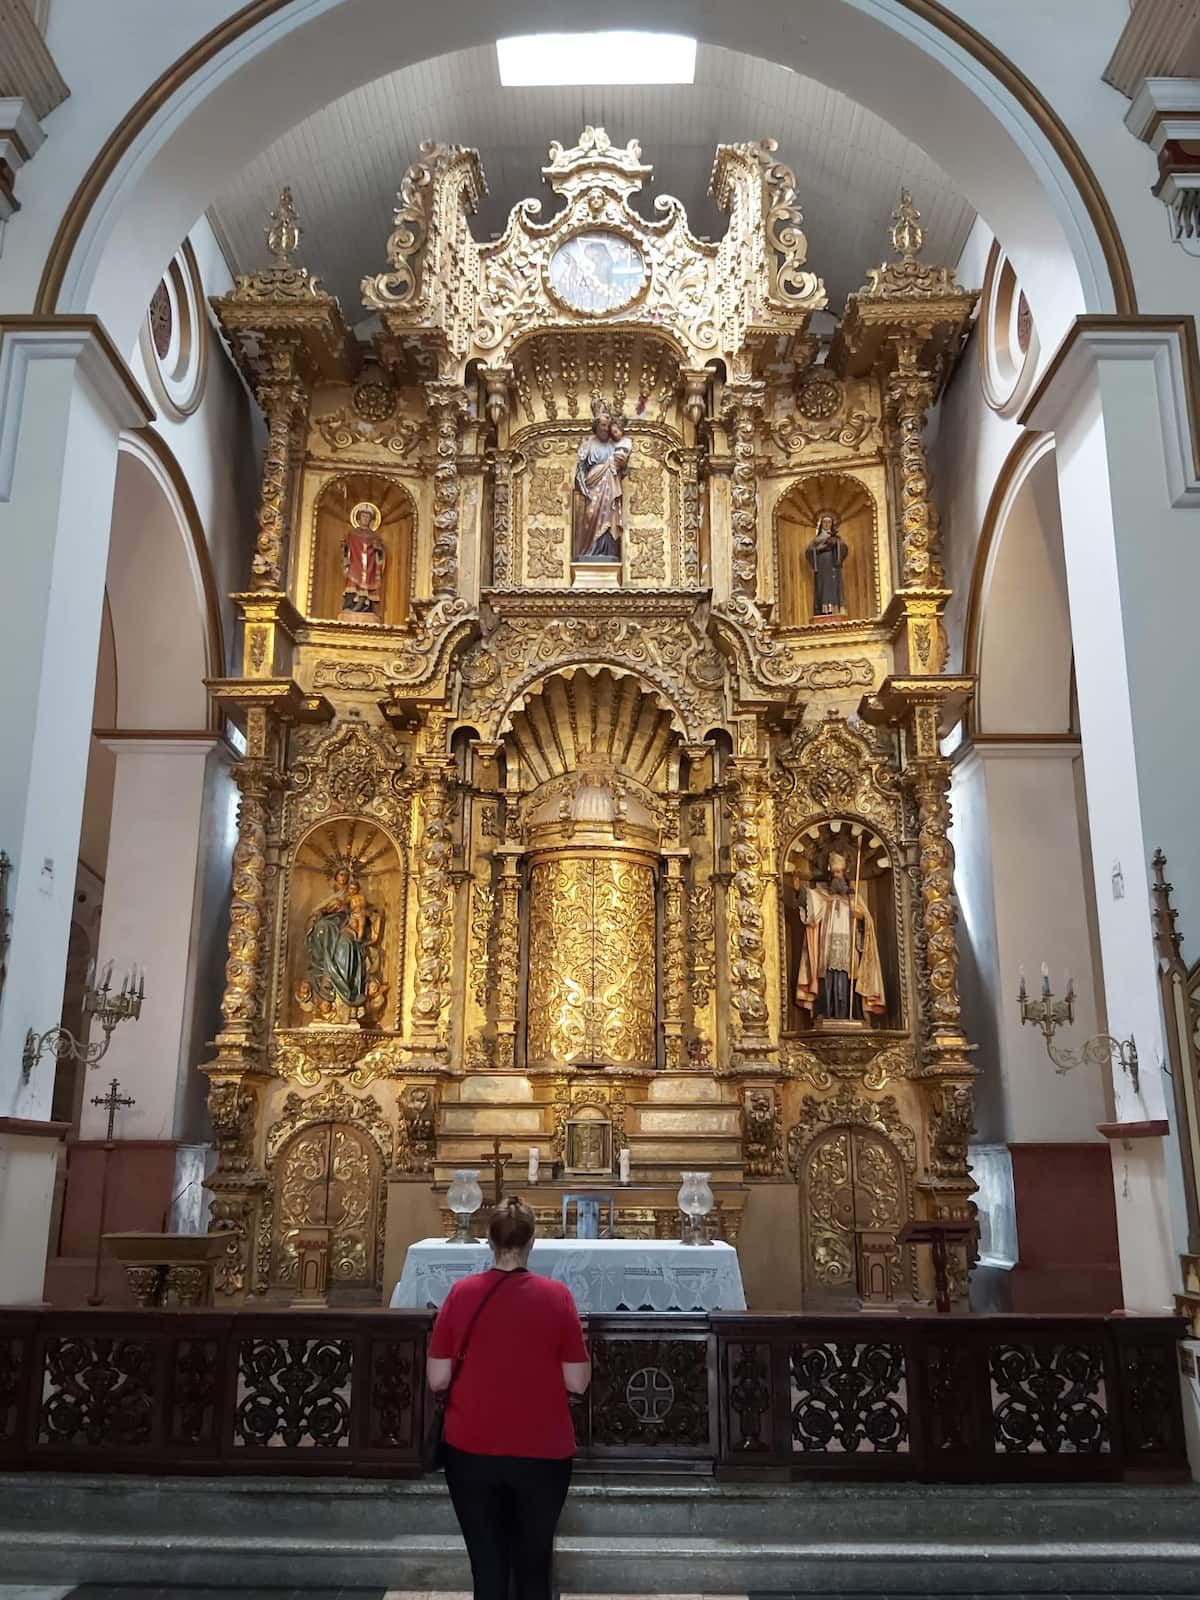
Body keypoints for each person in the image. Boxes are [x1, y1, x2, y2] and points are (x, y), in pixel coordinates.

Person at [428, 1196, 590, 1600]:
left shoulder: (461, 1294)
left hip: (470, 1449)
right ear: (531, 1242)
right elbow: (577, 1382)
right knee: (534, 1569)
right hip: (542, 1451)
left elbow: (437, 1378)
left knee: (488, 1571)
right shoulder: (557, 1297)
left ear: (489, 1241)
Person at [805, 511, 849, 618]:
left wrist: (836, 544)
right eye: (824, 522)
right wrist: (818, 549)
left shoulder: (836, 538)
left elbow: (844, 548)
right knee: (822, 588)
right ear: (821, 524)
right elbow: (809, 551)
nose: (826, 525)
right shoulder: (816, 539)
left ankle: (835, 608)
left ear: (832, 524)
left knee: (834, 587)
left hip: (833, 566)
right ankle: (823, 610)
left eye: (829, 522)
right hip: (822, 567)